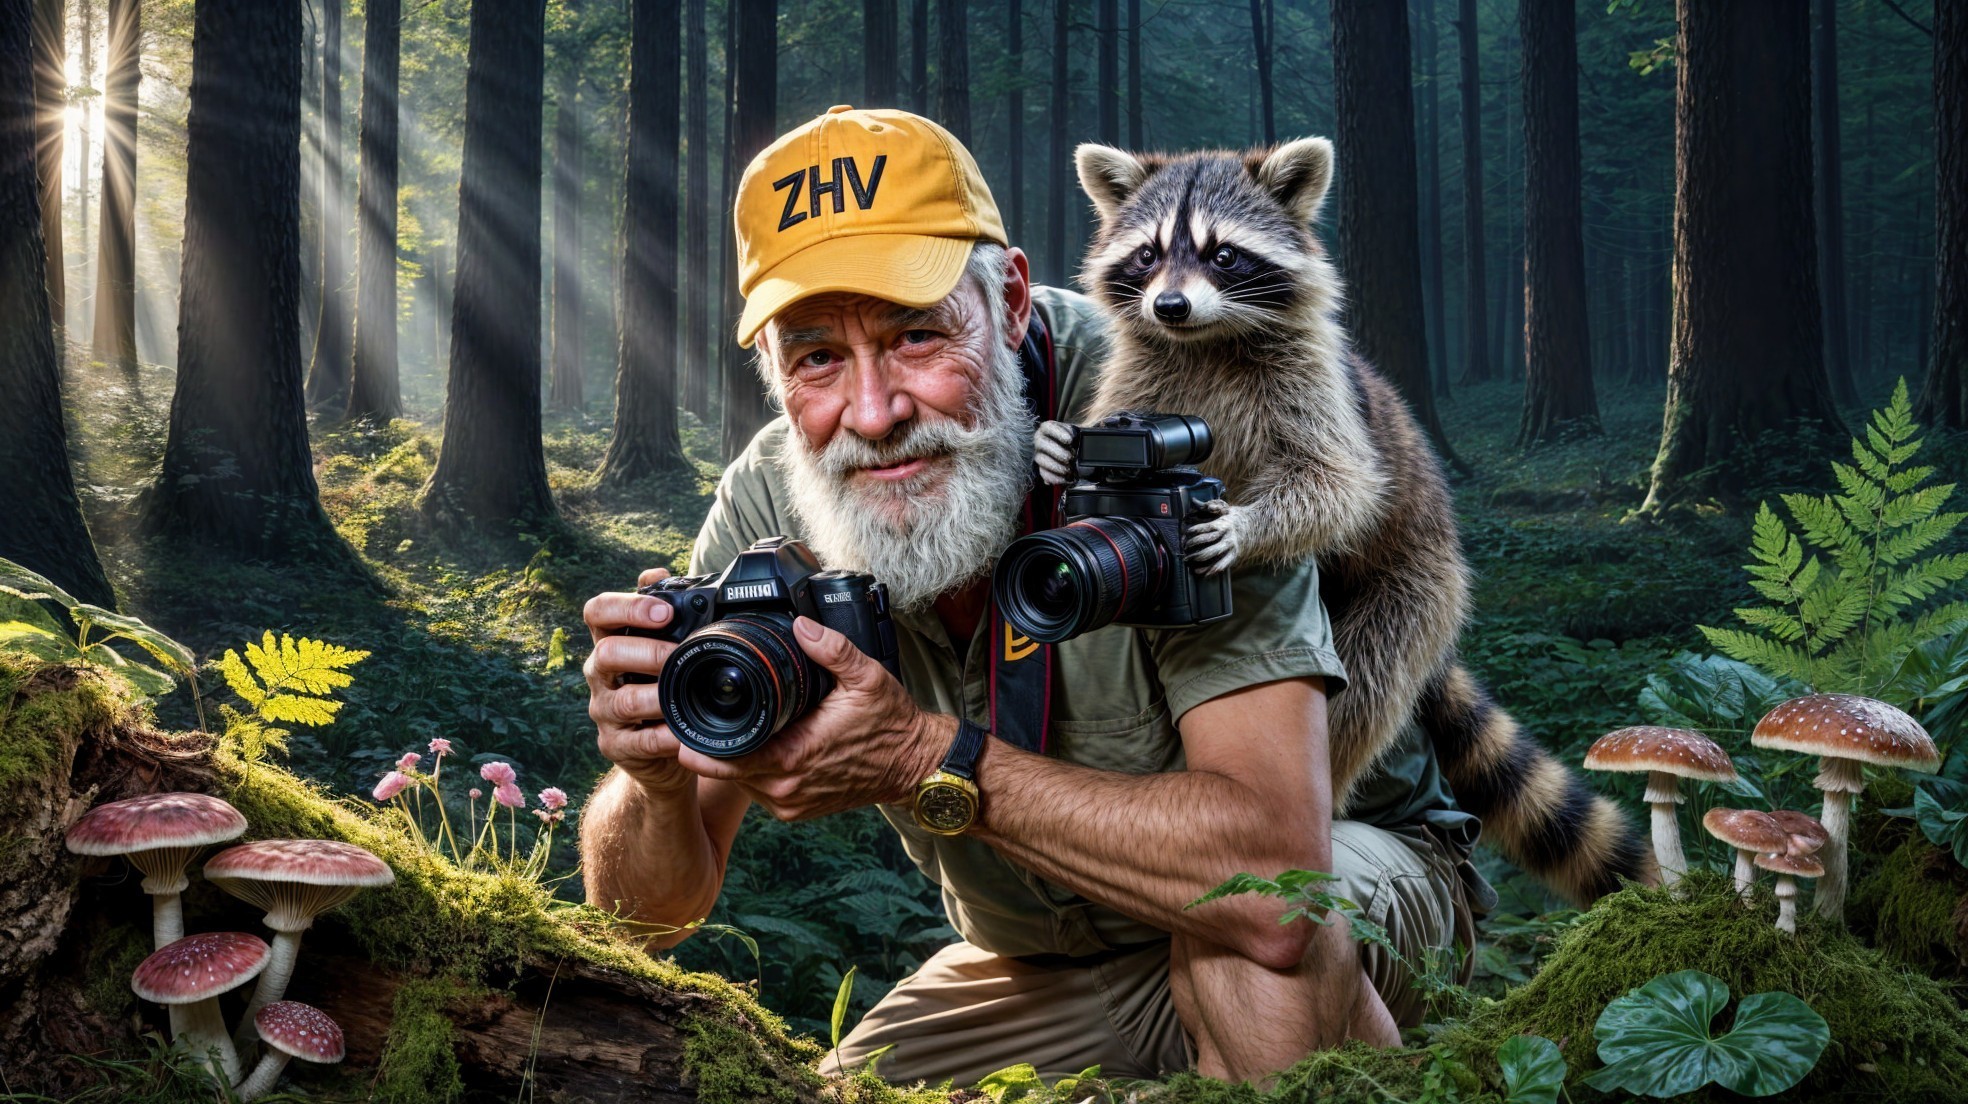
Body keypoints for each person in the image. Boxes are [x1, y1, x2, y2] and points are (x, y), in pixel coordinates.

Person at [579, 106, 1491, 1086]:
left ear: (1010, 302)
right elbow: (643, 922)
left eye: (919, 335)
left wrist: (928, 756)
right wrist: (655, 780)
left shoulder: (1176, 395)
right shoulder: (779, 489)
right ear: (772, 369)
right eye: (817, 357)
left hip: (1346, 881)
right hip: (1043, 959)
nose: (875, 413)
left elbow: (1270, 882)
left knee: (1251, 949)